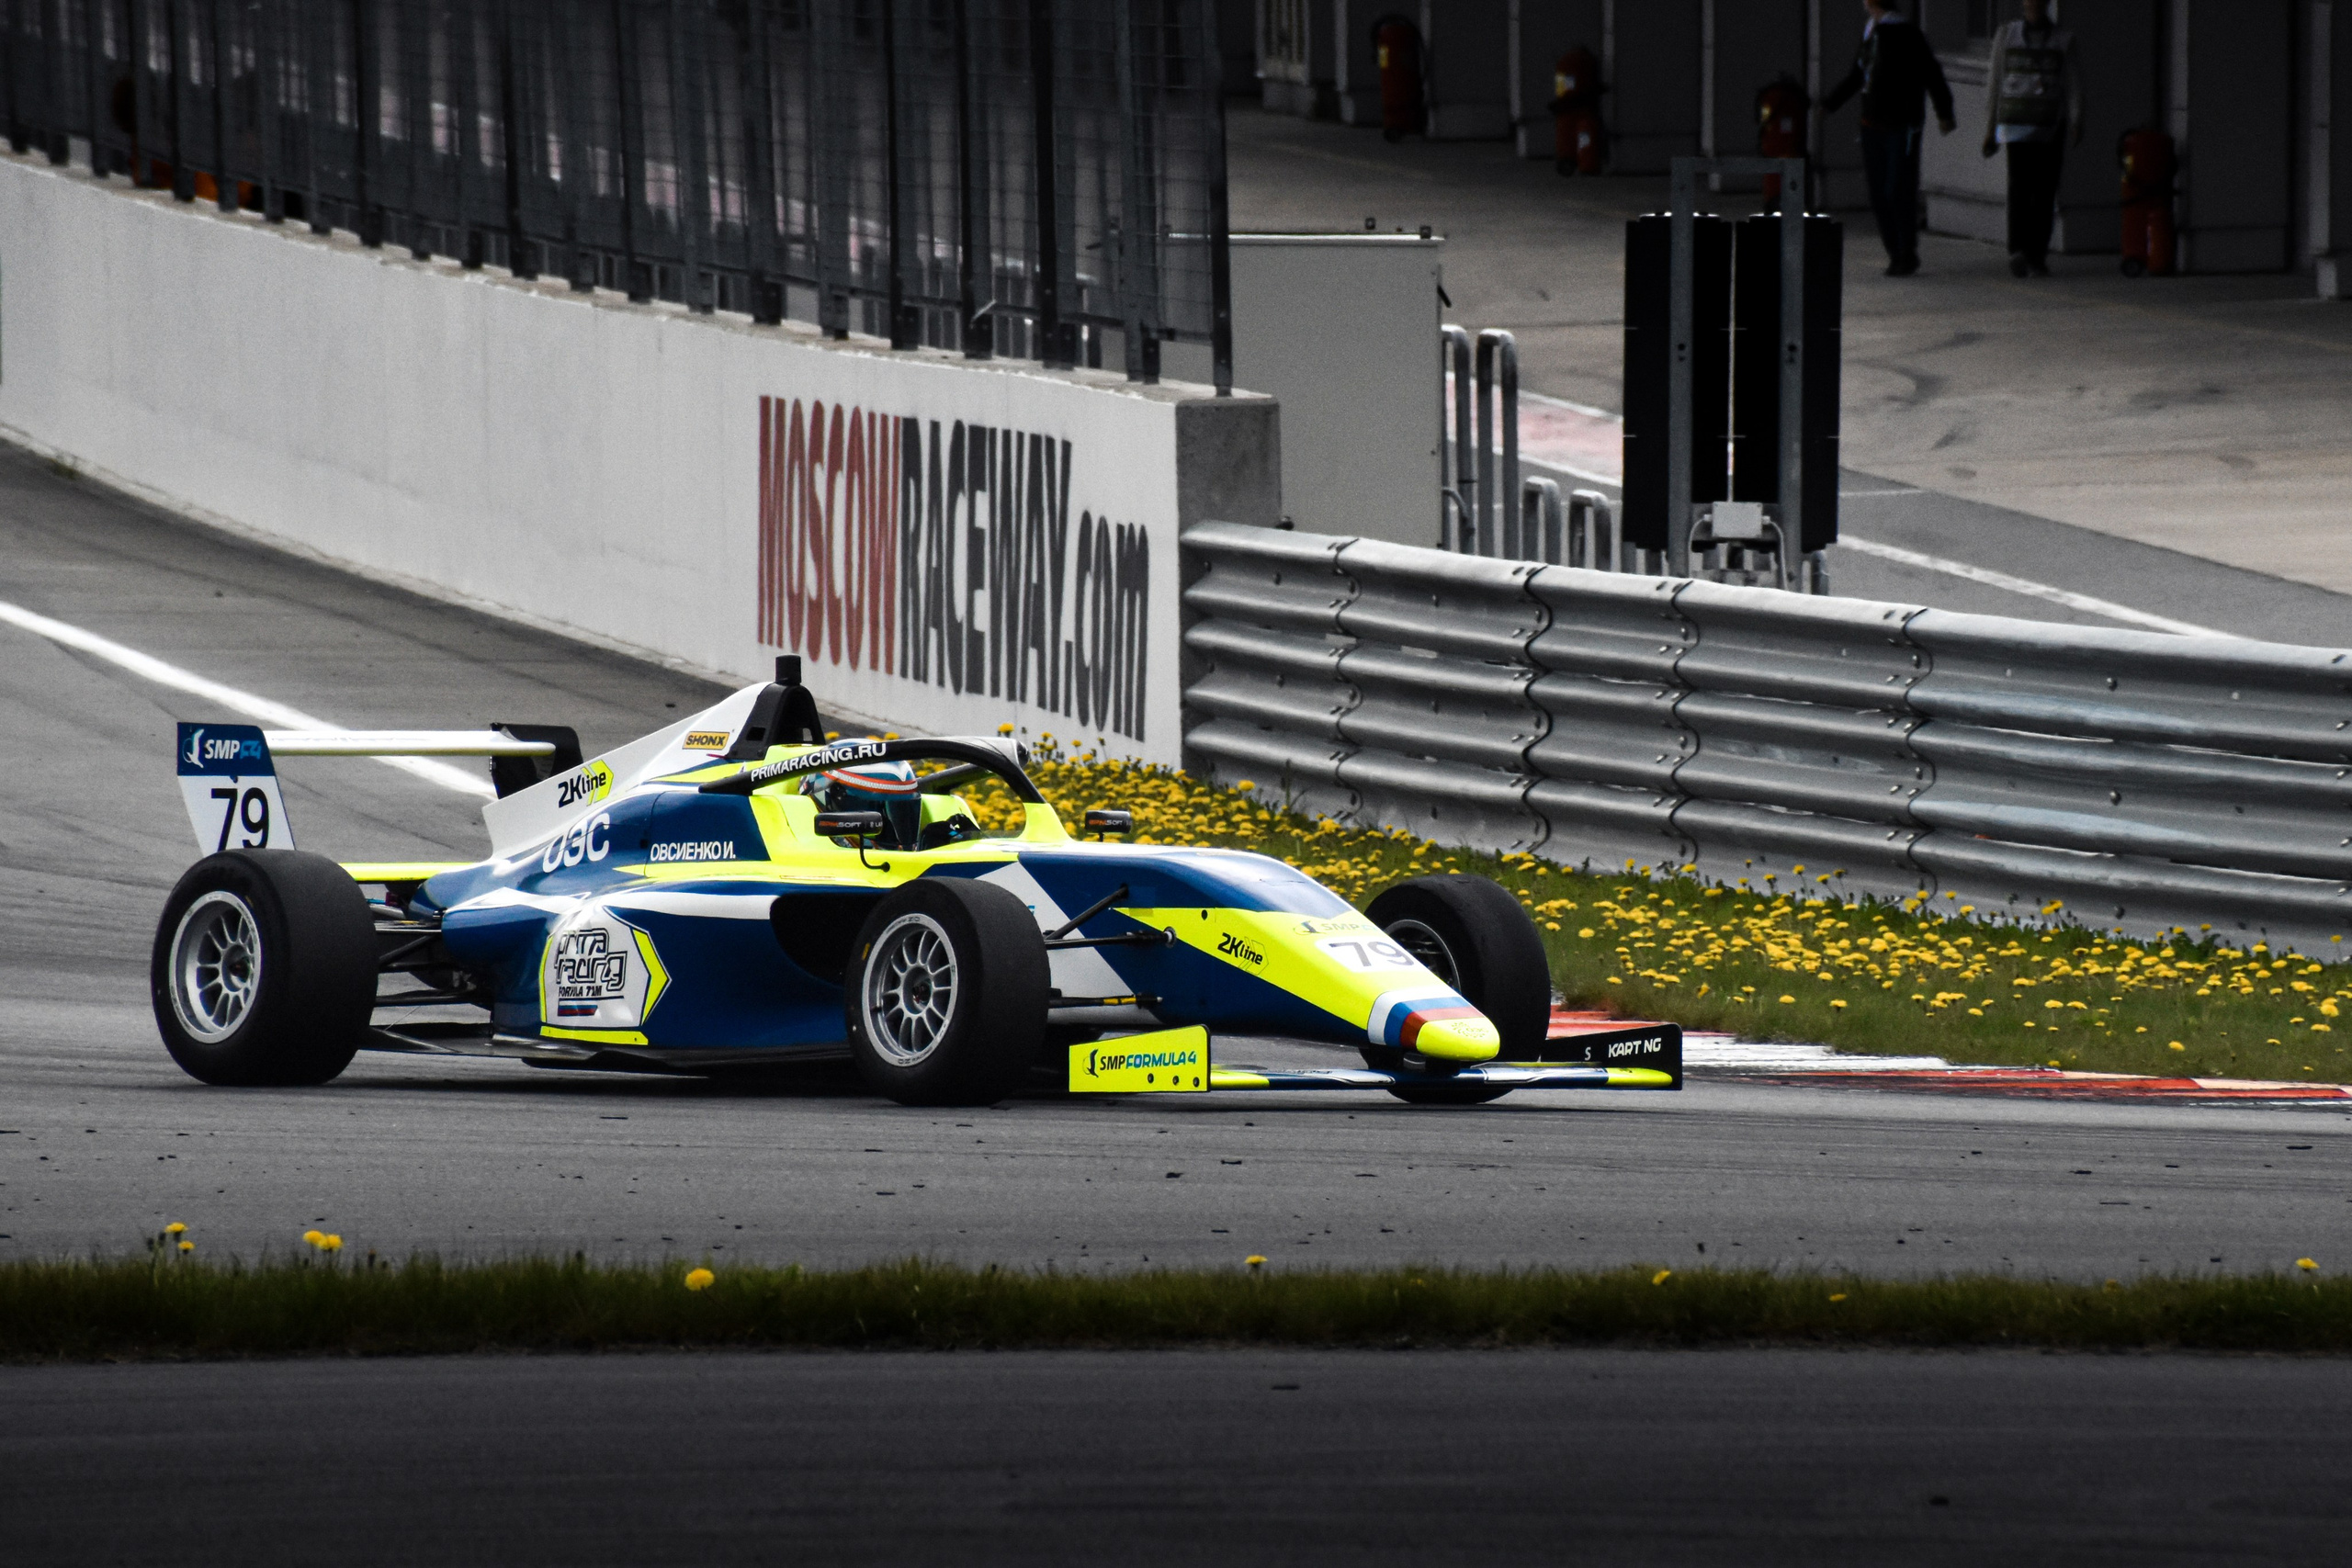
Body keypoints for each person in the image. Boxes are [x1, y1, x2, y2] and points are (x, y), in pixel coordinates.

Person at [1823, 0, 1956, 276]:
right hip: (1873, 123)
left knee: (1897, 188)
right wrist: (1831, 102)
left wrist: (1944, 111)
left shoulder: (1906, 34)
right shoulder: (1871, 32)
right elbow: (1860, 74)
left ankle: (1905, 251)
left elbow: (1930, 73)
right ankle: (1897, 251)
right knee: (1880, 191)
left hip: (1900, 123)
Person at [1981, 0, 2085, 277]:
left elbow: (2072, 82)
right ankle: (2018, 249)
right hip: (2016, 124)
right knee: (2020, 187)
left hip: (2049, 125)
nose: (2033, 6)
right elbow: (1995, 81)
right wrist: (1990, 127)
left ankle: (2036, 252)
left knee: (2044, 190)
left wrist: (2076, 118)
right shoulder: (2007, 34)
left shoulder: (2063, 40)